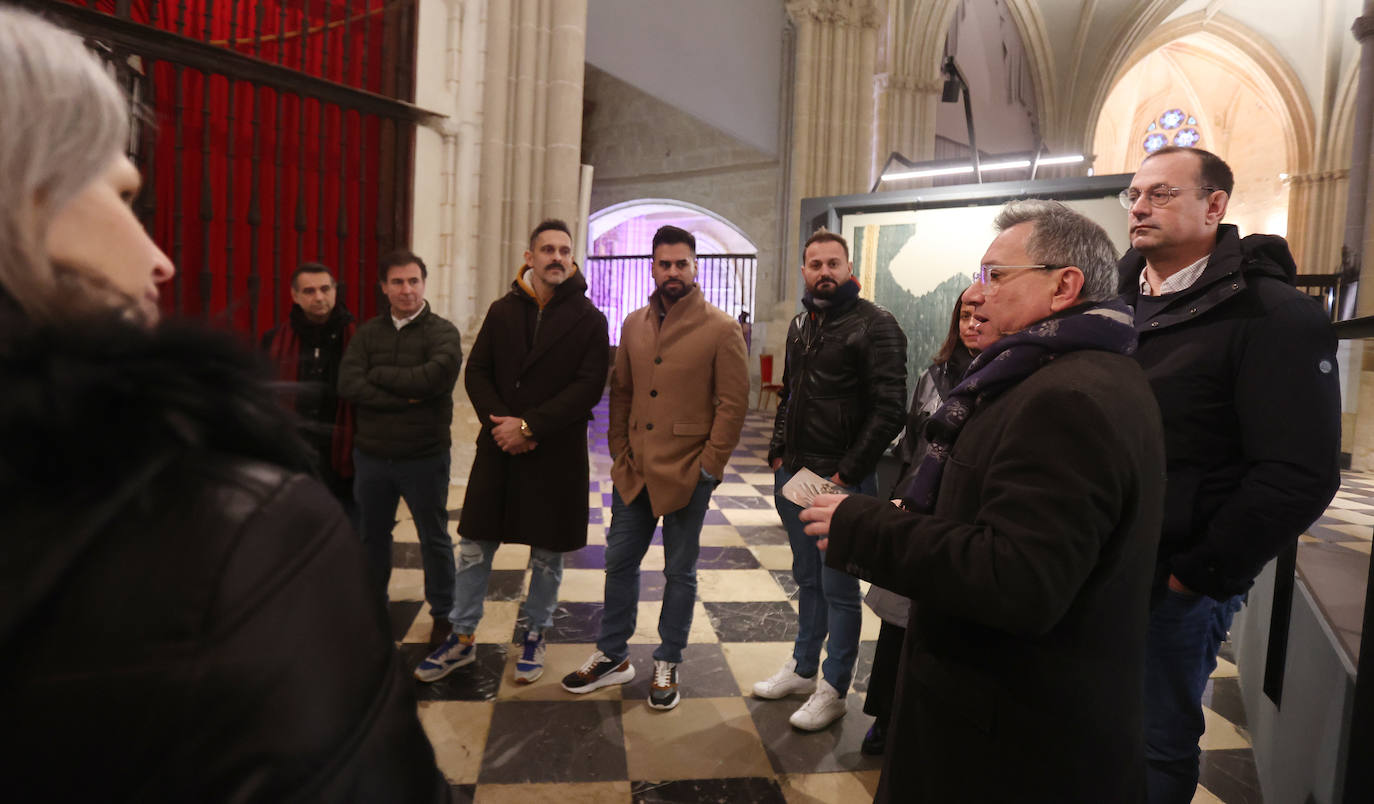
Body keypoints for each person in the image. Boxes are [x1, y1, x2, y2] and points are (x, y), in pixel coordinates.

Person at [0, 9, 445, 800]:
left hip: (402, 454)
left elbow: (431, 379)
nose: (160, 257)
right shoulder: (248, 533)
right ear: (26, 195)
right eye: (124, 198)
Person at [801, 200, 1165, 802]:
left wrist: (862, 524)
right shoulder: (1063, 373)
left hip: (1009, 734)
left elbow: (1017, 577)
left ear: (1063, 286)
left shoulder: (1066, 398)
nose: (979, 292)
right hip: (1012, 712)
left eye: (995, 275)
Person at [1117, 146, 1341, 803]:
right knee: (1097, 727)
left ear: (1215, 206)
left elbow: (1298, 473)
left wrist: (1200, 572)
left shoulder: (1272, 316)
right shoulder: (1113, 308)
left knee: (1157, 740)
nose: (1138, 206)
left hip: (1176, 579)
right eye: (1133, 194)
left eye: (1160, 193)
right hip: (1097, 561)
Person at [561, 225, 749, 710]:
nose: (672, 272)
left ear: (694, 267)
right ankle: (612, 654)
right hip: (635, 469)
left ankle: (668, 659)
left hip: (689, 470)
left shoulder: (721, 328)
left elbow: (733, 403)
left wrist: (710, 465)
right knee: (619, 562)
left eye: (681, 264)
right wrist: (619, 448)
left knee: (679, 572)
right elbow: (621, 390)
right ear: (652, 267)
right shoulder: (633, 323)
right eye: (664, 264)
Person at [415, 219, 609, 685]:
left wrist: (529, 426)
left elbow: (588, 387)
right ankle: (461, 638)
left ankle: (536, 635)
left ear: (573, 258)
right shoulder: (503, 311)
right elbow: (477, 371)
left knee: (547, 555)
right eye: (547, 249)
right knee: (475, 547)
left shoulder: (590, 318)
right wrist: (502, 424)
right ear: (529, 257)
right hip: (499, 446)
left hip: (554, 450)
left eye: (564, 250)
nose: (557, 257)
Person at [754, 229, 907, 732]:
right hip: (796, 473)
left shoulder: (875, 325)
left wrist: (845, 474)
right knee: (807, 579)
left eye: (833, 263)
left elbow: (889, 411)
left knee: (839, 588)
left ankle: (834, 688)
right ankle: (802, 669)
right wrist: (779, 454)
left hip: (839, 481)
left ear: (848, 268)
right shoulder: (802, 325)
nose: (824, 272)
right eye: (815, 263)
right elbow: (791, 394)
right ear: (804, 270)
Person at [861, 286, 979, 756]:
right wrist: (899, 499)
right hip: (918, 506)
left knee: (942, 626)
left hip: (961, 515)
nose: (972, 323)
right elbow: (912, 442)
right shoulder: (936, 374)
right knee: (897, 624)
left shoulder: (1009, 376)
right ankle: (886, 717)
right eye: (964, 315)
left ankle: (930, 725)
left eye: (979, 314)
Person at [338, 250, 463, 646]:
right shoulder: (368, 334)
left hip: (424, 456)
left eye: (413, 281)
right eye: (397, 282)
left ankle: (443, 612)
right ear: (384, 287)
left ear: (424, 284)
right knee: (372, 537)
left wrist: (379, 380)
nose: (406, 290)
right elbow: (348, 384)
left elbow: (434, 380)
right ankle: (372, 605)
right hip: (372, 456)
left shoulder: (443, 332)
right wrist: (406, 396)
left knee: (435, 537)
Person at [261, 262, 357, 508]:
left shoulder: (360, 338)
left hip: (344, 461)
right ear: (294, 295)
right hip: (293, 459)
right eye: (309, 291)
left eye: (325, 289)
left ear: (335, 291)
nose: (319, 297)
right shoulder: (273, 340)